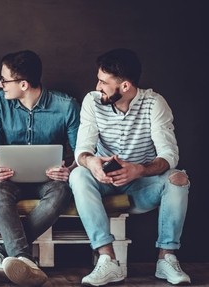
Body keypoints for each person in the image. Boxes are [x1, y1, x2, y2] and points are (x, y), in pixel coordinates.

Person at [69, 48, 191, 286]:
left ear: (125, 86)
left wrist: (139, 169)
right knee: (78, 175)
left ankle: (167, 258)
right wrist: (91, 161)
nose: (98, 87)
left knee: (178, 179)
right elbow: (82, 149)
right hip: (101, 183)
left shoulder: (155, 103)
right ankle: (107, 260)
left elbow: (169, 155)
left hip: (140, 187)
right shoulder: (92, 102)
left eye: (104, 82)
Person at [0, 50, 80, 286]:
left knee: (62, 192)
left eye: (5, 80)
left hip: (50, 180)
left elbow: (81, 153)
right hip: (10, 179)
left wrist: (70, 169)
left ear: (23, 84)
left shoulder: (66, 106)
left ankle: (4, 253)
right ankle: (23, 258)